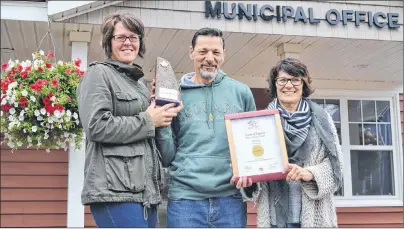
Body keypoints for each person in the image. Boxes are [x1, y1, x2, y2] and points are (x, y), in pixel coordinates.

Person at [77, 11, 182, 228]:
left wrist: (160, 108)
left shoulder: (138, 84)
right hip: (115, 191)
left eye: (134, 37)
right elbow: (97, 126)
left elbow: (150, 135)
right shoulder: (98, 74)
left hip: (146, 193)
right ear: (109, 42)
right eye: (121, 37)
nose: (128, 43)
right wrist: (148, 120)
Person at [154, 27, 256, 228]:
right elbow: (166, 156)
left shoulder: (241, 93)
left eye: (216, 52)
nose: (210, 58)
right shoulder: (174, 93)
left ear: (224, 55)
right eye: (203, 51)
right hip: (185, 200)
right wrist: (162, 113)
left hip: (230, 199)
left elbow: (251, 146)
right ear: (191, 52)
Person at [239, 58, 343, 228]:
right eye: (282, 80)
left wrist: (311, 173)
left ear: (304, 85)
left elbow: (337, 168)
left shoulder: (323, 120)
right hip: (274, 218)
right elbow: (255, 169)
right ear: (275, 84)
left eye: (295, 80)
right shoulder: (260, 122)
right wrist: (248, 177)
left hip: (315, 217)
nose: (288, 85)